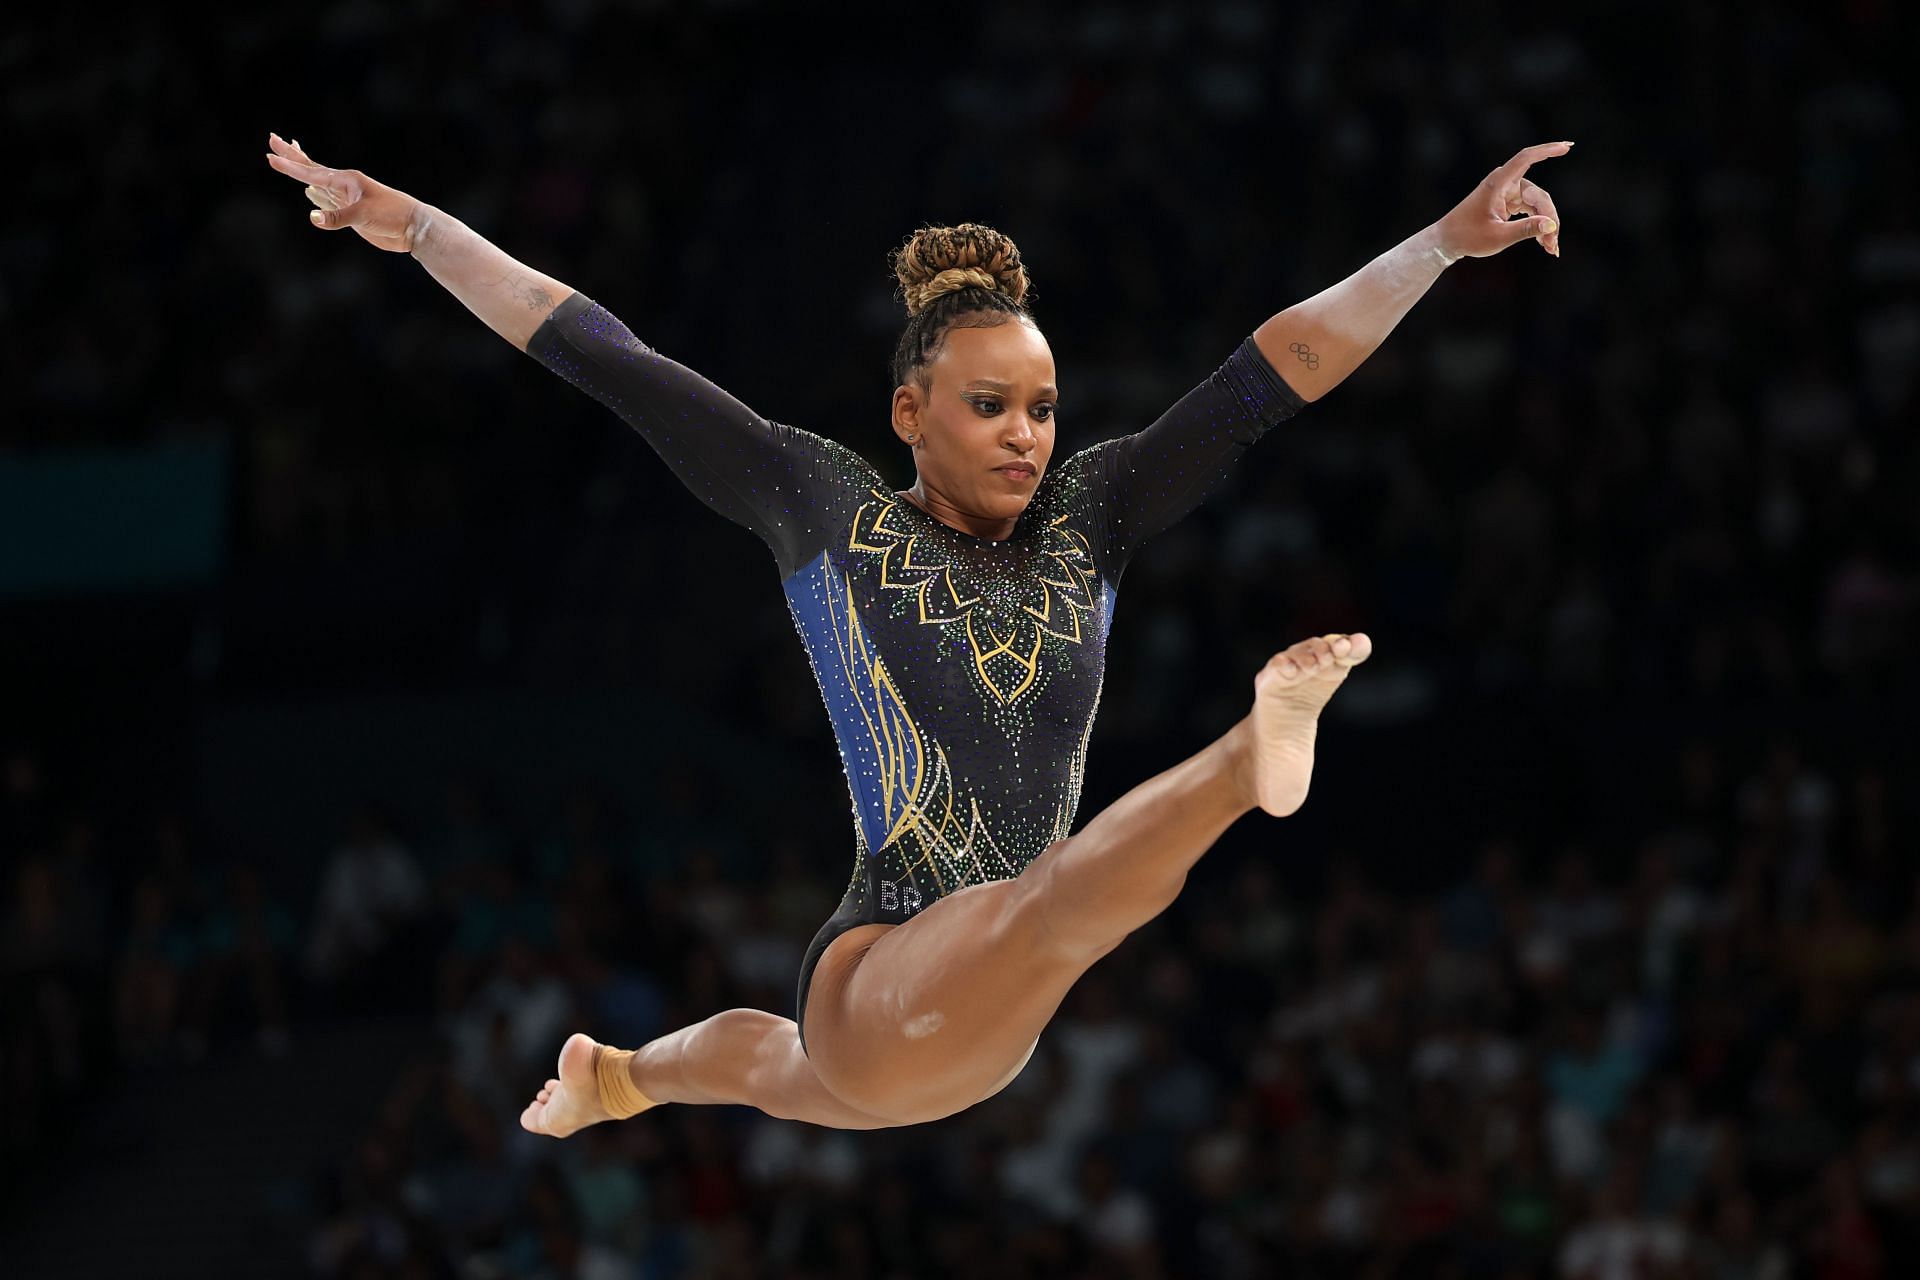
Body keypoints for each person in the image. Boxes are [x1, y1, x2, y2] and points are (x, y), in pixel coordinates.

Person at [264, 133, 1569, 1132]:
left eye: (1044, 408)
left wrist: (1443, 245)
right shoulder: (819, 503)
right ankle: (1247, 762)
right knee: (1042, 911)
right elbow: (602, 353)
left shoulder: (1095, 515)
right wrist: (419, 226)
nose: (1025, 434)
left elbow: (1270, 373)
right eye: (990, 405)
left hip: (980, 1034)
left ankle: (616, 1082)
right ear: (908, 414)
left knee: (773, 1070)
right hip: (885, 966)